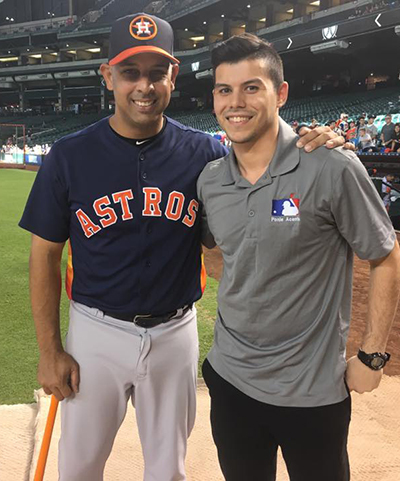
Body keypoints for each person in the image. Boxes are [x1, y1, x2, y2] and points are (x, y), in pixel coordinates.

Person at [19, 14, 346, 481]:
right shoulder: (69, 156)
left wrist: (320, 140)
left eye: (157, 72)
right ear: (108, 75)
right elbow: (45, 255)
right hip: (95, 334)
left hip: (175, 333)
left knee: (168, 469)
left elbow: (268, 166)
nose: (144, 86)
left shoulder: (208, 156)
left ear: (174, 75)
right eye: (131, 72)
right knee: (78, 467)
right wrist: (50, 349)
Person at [197, 33, 400, 481]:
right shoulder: (210, 179)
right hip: (230, 380)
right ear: (214, 98)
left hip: (312, 392)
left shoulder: (331, 166)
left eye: (252, 87)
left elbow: (385, 255)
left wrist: (372, 357)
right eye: (224, 90)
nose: (236, 102)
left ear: (281, 93)